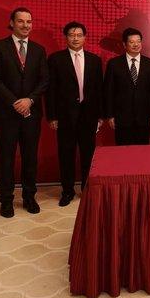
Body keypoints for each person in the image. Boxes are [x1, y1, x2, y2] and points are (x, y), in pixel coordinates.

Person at [0, 7, 48, 218]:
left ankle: (29, 197)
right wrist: (14, 102)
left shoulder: (39, 50)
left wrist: (29, 100)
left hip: (31, 112)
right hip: (5, 113)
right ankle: (6, 200)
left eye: (29, 21)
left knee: (30, 157)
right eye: (21, 21)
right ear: (12, 23)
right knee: (6, 158)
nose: (25, 25)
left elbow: (44, 80)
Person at [46, 21, 103, 207]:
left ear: (85, 38)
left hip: (89, 116)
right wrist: (52, 116)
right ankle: (67, 191)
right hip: (65, 117)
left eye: (79, 35)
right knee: (66, 155)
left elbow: (99, 90)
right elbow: (51, 90)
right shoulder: (56, 59)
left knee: (89, 155)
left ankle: (87, 189)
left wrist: (100, 115)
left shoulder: (94, 60)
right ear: (66, 37)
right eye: (72, 35)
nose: (75, 38)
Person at [104, 27, 150, 145]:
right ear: (124, 44)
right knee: (123, 151)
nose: (136, 44)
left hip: (144, 118)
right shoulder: (114, 64)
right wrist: (110, 115)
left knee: (142, 151)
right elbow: (109, 91)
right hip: (121, 118)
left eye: (138, 41)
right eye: (132, 42)